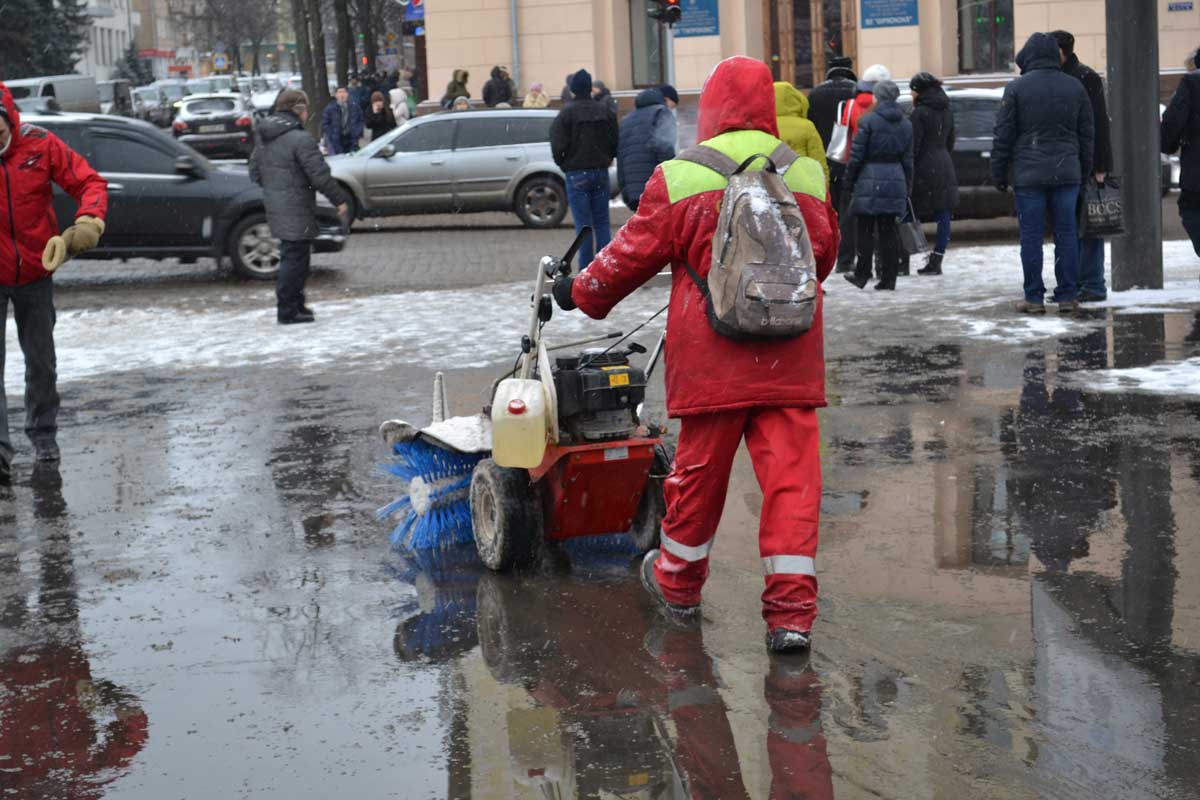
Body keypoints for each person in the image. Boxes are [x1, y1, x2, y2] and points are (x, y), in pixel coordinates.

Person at [551, 56, 839, 654]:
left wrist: (578, 293)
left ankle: (678, 584)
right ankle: (791, 616)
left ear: (709, 106)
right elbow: (824, 256)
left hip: (711, 360)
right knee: (792, 487)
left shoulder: (682, 175)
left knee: (698, 480)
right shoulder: (805, 172)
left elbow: (626, 258)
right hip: (790, 354)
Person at [0, 84, 108, 478]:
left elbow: (89, 182)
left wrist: (87, 222)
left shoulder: (39, 146)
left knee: (41, 362)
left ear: (9, 121)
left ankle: (43, 434)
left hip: (34, 272)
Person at [992, 32, 1094, 314]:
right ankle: (1067, 295)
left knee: (1031, 237)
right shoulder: (1075, 87)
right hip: (1067, 174)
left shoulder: (1016, 88)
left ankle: (1034, 297)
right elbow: (1087, 135)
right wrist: (1082, 170)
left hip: (1028, 175)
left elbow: (1003, 135)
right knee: (1067, 235)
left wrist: (999, 172)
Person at [251, 89, 351, 325]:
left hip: (277, 203)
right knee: (294, 258)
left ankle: (297, 305)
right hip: (296, 204)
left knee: (296, 255)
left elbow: (254, 171)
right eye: (305, 109)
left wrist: (276, 188)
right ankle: (287, 310)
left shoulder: (264, 136)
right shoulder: (301, 139)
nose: (307, 114)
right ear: (298, 110)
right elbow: (320, 175)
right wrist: (339, 199)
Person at [1052, 30, 1114, 301]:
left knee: (1089, 225)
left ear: (1061, 51)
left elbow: (1100, 123)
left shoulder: (1086, 77)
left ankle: (1092, 285)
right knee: (1071, 226)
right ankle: (1074, 284)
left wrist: (1101, 165)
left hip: (1085, 162)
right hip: (1067, 162)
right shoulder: (1065, 77)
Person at [843, 80, 912, 292]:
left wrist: (849, 179)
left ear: (878, 97)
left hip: (869, 178)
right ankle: (889, 277)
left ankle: (862, 274)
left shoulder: (868, 120)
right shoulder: (906, 123)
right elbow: (909, 159)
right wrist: (907, 185)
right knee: (889, 230)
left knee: (864, 228)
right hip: (895, 177)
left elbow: (856, 155)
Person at [550, 69, 619, 269]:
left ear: (572, 90)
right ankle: (605, 269)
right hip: (600, 171)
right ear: (590, 88)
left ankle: (587, 270)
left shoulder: (566, 113)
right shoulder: (604, 110)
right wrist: (607, 158)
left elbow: (557, 143)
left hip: (577, 173)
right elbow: (614, 139)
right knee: (602, 222)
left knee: (584, 226)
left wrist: (564, 164)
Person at [833, 63, 890, 273]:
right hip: (881, 167)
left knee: (851, 217)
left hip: (854, 166)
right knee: (882, 219)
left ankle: (846, 259)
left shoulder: (849, 105)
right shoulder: (886, 108)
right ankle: (881, 262)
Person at [908, 72, 958, 276]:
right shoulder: (947, 108)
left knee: (910, 211)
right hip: (944, 162)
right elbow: (951, 139)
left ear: (919, 91)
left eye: (913, 90)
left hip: (924, 166)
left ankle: (905, 258)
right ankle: (937, 258)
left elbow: (914, 145)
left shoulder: (919, 113)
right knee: (943, 213)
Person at [1163, 48, 1200, 264]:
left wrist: (1167, 144)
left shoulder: (1192, 84)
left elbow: (1173, 121)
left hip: (1197, 167)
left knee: (1191, 210)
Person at [617, 87, 676, 211]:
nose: (672, 109)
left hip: (633, 191)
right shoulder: (662, 113)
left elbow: (621, 157)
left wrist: (625, 191)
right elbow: (665, 150)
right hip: (655, 190)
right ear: (665, 99)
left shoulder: (627, 119)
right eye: (673, 105)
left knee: (643, 229)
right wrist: (671, 183)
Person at [774, 81, 830, 185]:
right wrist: (824, 186)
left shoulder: (766, 127)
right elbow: (818, 161)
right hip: (803, 184)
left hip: (775, 184)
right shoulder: (807, 126)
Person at [320, 87, 365, 155]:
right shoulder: (330, 108)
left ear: (347, 94)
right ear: (336, 95)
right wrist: (331, 134)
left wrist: (357, 132)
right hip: (337, 139)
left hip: (351, 138)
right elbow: (325, 123)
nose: (342, 94)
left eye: (344, 92)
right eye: (339, 92)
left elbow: (361, 120)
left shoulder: (355, 107)